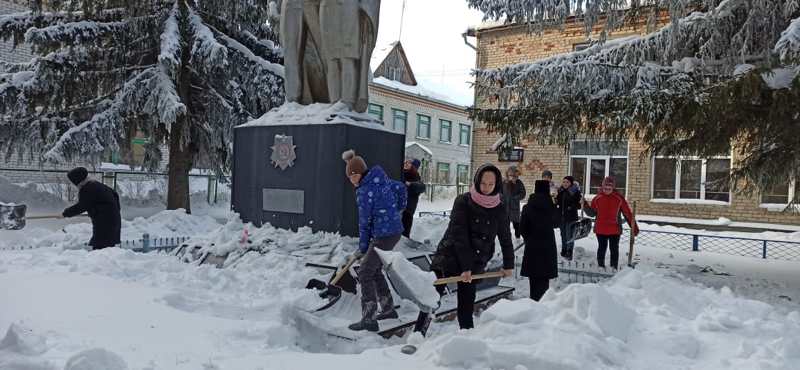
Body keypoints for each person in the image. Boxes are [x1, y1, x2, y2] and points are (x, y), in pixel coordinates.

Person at [430, 164, 515, 330]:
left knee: (467, 305)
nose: (486, 188)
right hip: (449, 255)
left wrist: (509, 264)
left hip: (476, 260)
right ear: (477, 181)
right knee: (431, 299)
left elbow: (505, 237)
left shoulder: (499, 207)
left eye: (491, 184)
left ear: (497, 184)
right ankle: (417, 336)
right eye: (483, 183)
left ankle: (467, 339)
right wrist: (465, 267)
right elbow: (459, 235)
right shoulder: (463, 201)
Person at [342, 149, 407, 332]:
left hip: (384, 234)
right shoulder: (381, 179)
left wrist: (363, 247)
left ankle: (369, 318)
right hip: (392, 231)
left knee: (364, 272)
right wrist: (398, 209)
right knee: (374, 269)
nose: (350, 180)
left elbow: (364, 222)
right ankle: (387, 309)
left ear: (356, 174)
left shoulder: (364, 190)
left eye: (350, 176)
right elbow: (401, 188)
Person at [583, 176, 639, 269]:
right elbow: (592, 213)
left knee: (614, 249)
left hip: (615, 229)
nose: (607, 190)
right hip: (601, 229)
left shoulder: (619, 198)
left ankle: (613, 268)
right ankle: (601, 266)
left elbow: (628, 214)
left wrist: (634, 228)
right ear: (602, 187)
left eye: (609, 188)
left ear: (613, 188)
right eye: (605, 188)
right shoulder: (597, 198)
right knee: (602, 248)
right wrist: (584, 205)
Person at [61, 167, 121, 250]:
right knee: (107, 247)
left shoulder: (87, 188)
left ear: (77, 180)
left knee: (101, 248)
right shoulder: (95, 184)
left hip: (105, 222)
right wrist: (102, 210)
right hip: (112, 219)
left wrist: (65, 213)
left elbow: (81, 206)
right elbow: (115, 195)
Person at [519, 180, 558, 301]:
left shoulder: (527, 207)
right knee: (544, 280)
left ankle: (534, 303)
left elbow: (522, 228)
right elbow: (557, 223)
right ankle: (542, 305)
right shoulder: (551, 206)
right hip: (548, 247)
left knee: (534, 279)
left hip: (532, 247)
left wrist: (529, 238)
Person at [555, 176, 582, 260]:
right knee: (563, 234)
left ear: (571, 183)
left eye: (567, 182)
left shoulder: (575, 192)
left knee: (569, 235)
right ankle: (564, 249)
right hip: (561, 217)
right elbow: (557, 202)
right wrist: (555, 199)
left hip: (571, 217)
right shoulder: (560, 191)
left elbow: (578, 205)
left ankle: (569, 251)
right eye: (564, 182)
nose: (565, 184)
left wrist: (571, 206)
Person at [401, 158, 426, 238]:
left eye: (409, 163)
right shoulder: (400, 174)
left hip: (408, 209)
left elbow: (421, 187)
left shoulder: (415, 177)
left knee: (405, 232)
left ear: (414, 166)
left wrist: (410, 184)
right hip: (398, 208)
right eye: (406, 162)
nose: (406, 163)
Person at [503, 166, 527, 239]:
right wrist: (502, 199)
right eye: (511, 175)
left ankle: (518, 235)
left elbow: (523, 193)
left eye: (515, 176)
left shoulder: (519, 183)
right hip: (505, 206)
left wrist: (515, 198)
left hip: (514, 206)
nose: (513, 177)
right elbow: (499, 192)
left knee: (516, 223)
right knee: (505, 224)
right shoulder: (504, 182)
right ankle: (507, 237)